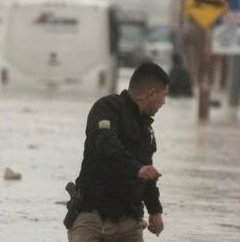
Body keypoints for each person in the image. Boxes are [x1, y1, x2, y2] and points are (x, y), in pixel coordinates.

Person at [65, 62, 169, 242]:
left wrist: (155, 210)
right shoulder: (107, 108)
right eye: (163, 96)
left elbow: (147, 173)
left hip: (129, 222)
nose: (164, 102)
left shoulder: (147, 129)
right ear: (151, 94)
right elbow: (104, 142)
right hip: (92, 217)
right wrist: (136, 168)